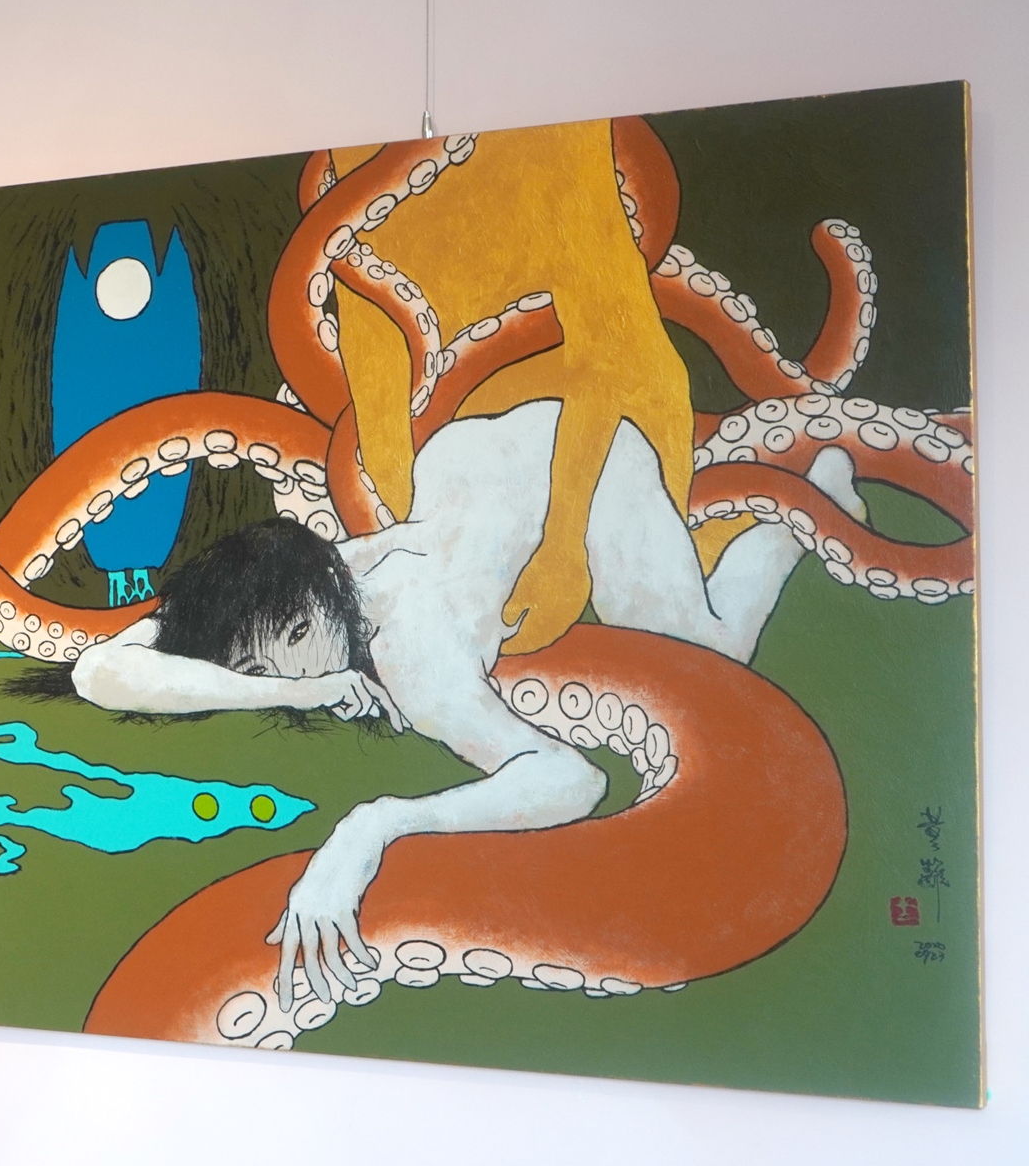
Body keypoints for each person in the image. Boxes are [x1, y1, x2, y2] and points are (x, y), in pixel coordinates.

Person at [71, 399, 865, 1013]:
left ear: (313, 602)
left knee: (711, 658)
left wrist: (377, 823)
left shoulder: (413, 655)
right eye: (255, 662)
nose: (285, 658)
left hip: (587, 461)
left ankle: (815, 504)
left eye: (292, 640)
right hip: (492, 455)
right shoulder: (315, 579)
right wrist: (295, 686)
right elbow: (99, 670)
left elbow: (572, 778)